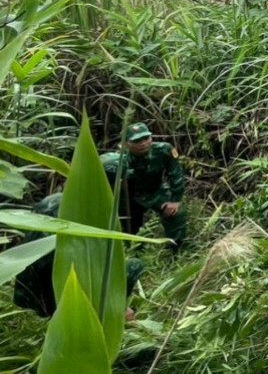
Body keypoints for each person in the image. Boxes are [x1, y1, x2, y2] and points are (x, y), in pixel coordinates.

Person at [13, 188, 144, 320]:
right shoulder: (68, 243)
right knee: (134, 266)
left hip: (27, 302)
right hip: (63, 306)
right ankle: (116, 311)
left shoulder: (32, 237)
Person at [117, 122, 187, 250]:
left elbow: (176, 174)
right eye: (137, 141)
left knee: (176, 214)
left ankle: (176, 249)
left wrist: (175, 200)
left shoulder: (164, 150)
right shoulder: (119, 159)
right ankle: (135, 253)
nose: (143, 143)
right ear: (127, 143)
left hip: (156, 190)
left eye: (146, 138)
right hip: (130, 197)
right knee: (130, 229)